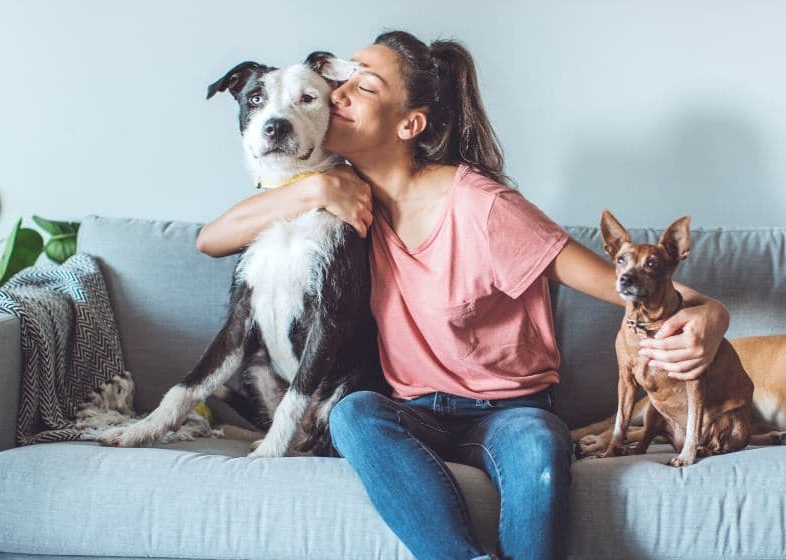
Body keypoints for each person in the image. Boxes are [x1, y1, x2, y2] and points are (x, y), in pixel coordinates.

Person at [196, 30, 730, 560]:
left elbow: (628, 287)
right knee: (354, 414)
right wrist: (313, 188)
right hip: (414, 410)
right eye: (343, 80)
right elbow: (210, 239)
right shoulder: (341, 194)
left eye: (364, 86)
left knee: (542, 447)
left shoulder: (483, 207)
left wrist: (714, 314)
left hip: (509, 411)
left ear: (410, 124)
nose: (339, 94)